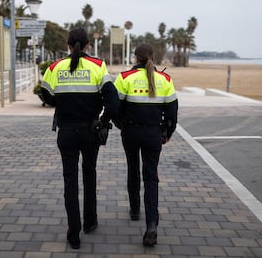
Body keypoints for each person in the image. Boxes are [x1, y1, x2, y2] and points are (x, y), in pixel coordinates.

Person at [40, 28, 119, 249]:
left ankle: (73, 232)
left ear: (67, 45)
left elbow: (45, 94)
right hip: (90, 131)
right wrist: (103, 120)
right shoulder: (97, 66)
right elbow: (113, 101)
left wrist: (63, 104)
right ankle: (90, 221)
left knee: (70, 180)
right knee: (89, 174)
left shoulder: (55, 67)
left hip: (66, 131)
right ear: (87, 46)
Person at [113, 43, 178, 246]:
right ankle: (151, 225)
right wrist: (166, 133)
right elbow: (172, 111)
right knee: (151, 177)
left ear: (135, 58)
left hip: (130, 132)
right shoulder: (165, 79)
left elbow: (115, 107)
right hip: (153, 133)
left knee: (133, 167)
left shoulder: (124, 78)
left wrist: (120, 125)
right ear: (152, 57)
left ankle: (134, 210)